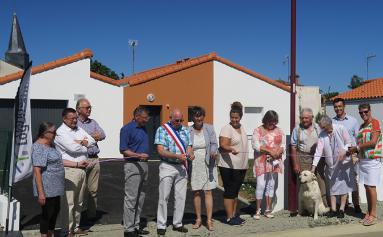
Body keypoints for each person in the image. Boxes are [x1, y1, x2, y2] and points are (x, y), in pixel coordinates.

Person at [54, 108, 96, 237]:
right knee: (69, 203)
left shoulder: (78, 128)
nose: (74, 120)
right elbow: (73, 148)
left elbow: (92, 140)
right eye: (72, 118)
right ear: (64, 119)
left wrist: (83, 142)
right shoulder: (60, 132)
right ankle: (66, 230)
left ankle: (76, 227)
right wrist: (84, 143)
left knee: (79, 202)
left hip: (82, 169)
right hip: (69, 171)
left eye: (75, 118)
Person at [154, 109, 194, 236]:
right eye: (176, 120)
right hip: (167, 165)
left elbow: (189, 147)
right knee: (164, 196)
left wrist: (190, 154)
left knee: (181, 196)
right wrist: (177, 156)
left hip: (182, 166)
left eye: (181, 120)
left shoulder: (185, 130)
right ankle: (161, 224)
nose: (179, 122)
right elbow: (160, 150)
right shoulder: (162, 130)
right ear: (170, 118)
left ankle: (178, 223)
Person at [311, 116, 356, 219]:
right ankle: (334, 209)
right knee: (332, 187)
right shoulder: (322, 135)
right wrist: (314, 166)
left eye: (325, 127)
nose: (324, 129)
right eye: (322, 128)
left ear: (329, 124)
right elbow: (318, 151)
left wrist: (344, 150)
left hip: (343, 162)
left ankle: (341, 209)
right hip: (331, 165)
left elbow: (349, 142)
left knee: (343, 186)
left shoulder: (340, 128)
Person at [348, 103, 382, 226]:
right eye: (361, 112)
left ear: (370, 110)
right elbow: (360, 145)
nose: (364, 114)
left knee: (371, 187)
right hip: (363, 160)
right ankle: (368, 213)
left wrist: (356, 147)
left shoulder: (375, 123)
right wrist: (355, 152)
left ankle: (373, 215)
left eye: (365, 111)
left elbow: (373, 142)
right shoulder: (361, 126)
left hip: (373, 159)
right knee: (367, 187)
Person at [119, 106, 150, 237]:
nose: (147, 120)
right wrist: (138, 156)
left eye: (147, 118)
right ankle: (129, 229)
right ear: (137, 117)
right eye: (144, 118)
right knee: (131, 198)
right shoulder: (127, 129)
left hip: (144, 165)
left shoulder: (143, 128)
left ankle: (136, 225)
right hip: (133, 165)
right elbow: (123, 150)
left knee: (140, 198)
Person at [218, 101, 248, 226]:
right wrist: (231, 149)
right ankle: (229, 218)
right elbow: (223, 145)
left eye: (236, 117)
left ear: (240, 117)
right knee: (230, 192)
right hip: (228, 166)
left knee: (235, 192)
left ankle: (234, 215)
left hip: (241, 166)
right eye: (232, 117)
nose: (234, 120)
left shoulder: (241, 127)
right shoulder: (227, 128)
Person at [32, 122, 65, 237]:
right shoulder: (39, 147)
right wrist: (41, 193)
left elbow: (59, 161)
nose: (55, 134)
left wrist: (77, 164)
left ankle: (50, 234)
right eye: (53, 132)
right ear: (44, 133)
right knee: (47, 214)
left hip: (56, 186)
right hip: (47, 187)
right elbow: (37, 171)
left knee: (55, 211)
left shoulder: (51, 144)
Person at [290, 108, 328, 208]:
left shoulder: (318, 127)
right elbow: (293, 147)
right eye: (302, 118)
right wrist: (295, 164)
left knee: (320, 181)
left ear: (312, 117)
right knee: (304, 184)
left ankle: (323, 206)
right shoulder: (297, 129)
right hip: (303, 158)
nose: (304, 120)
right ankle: (306, 208)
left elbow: (324, 142)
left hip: (318, 158)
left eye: (306, 118)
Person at [188, 106, 218, 231]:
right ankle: (198, 218)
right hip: (194, 163)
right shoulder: (188, 130)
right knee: (196, 191)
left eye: (200, 115)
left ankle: (209, 220)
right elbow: (187, 145)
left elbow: (214, 143)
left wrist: (212, 151)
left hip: (208, 162)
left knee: (208, 191)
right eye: (196, 115)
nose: (198, 118)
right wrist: (189, 153)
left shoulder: (209, 128)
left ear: (203, 117)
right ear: (193, 117)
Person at [252, 110, 285, 220]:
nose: (273, 124)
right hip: (261, 161)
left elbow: (283, 145)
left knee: (271, 185)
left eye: (275, 122)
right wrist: (270, 151)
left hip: (275, 161)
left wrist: (278, 152)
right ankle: (257, 210)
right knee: (261, 185)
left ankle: (268, 209)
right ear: (265, 120)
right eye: (271, 122)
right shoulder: (258, 130)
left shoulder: (279, 130)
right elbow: (256, 146)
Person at [76, 98, 106, 220]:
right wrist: (93, 136)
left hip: (94, 159)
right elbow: (76, 141)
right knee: (80, 191)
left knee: (93, 190)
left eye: (90, 107)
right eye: (86, 107)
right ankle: (78, 217)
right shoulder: (74, 123)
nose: (89, 109)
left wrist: (87, 138)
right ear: (78, 109)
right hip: (81, 159)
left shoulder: (93, 122)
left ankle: (91, 216)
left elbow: (103, 135)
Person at [332, 97, 361, 213]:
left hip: (351, 154)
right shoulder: (332, 121)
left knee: (353, 179)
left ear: (344, 106)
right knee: (341, 180)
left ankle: (356, 204)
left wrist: (357, 154)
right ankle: (345, 204)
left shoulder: (353, 121)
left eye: (340, 106)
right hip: (338, 156)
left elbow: (358, 138)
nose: (338, 108)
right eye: (335, 107)